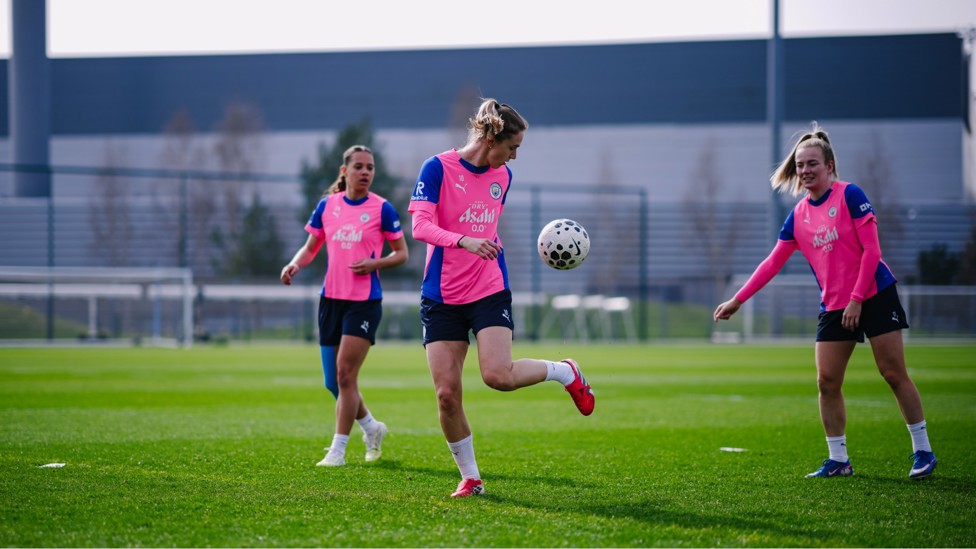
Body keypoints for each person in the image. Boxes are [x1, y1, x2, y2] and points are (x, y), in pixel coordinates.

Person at [713, 123, 937, 480]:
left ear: (830, 165)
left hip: (874, 293)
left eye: (812, 164)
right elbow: (772, 263)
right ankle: (838, 460)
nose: (805, 171)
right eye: (801, 165)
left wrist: (857, 299)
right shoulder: (798, 215)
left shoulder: (850, 195)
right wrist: (738, 300)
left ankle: (923, 451)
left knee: (893, 373)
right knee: (826, 382)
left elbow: (872, 252)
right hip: (835, 304)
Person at [408, 98, 595, 498]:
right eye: (513, 148)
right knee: (446, 396)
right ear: (491, 137)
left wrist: (479, 246)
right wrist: (464, 241)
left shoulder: (502, 177)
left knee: (498, 376)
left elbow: (489, 230)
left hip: (488, 288)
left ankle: (566, 372)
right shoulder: (437, 168)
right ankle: (471, 478)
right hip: (440, 294)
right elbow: (420, 226)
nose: (514, 157)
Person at [280, 145, 409, 467]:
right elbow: (311, 247)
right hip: (330, 301)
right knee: (333, 382)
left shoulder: (382, 209)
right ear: (345, 171)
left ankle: (337, 450)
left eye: (370, 168)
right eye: (359, 167)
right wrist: (295, 264)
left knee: (345, 374)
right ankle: (372, 427)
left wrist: (374, 264)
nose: (365, 172)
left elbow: (401, 254)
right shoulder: (328, 206)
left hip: (363, 303)